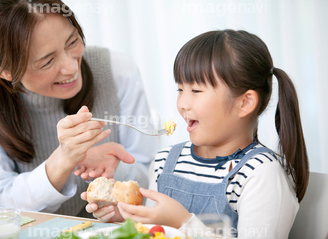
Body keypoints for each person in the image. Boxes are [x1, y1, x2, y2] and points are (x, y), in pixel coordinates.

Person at [83, 30, 309, 238]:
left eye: (196, 91)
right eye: (180, 89)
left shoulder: (260, 174)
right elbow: (153, 230)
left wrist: (183, 222)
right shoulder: (165, 161)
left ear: (245, 102)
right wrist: (127, 218)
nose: (183, 103)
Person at [0, 0, 158, 217]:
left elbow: (152, 179)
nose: (71, 67)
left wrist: (115, 168)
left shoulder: (118, 71)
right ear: (2, 69)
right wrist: (63, 160)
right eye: (47, 62)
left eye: (72, 42)